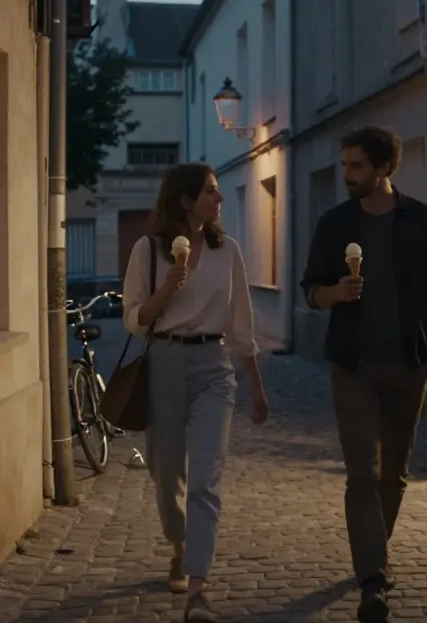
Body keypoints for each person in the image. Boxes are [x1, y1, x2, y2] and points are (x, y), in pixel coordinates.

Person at [299, 125, 427, 623]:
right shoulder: (334, 223)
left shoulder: (423, 221)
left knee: (394, 474)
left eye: (356, 166)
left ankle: (373, 552)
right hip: (353, 365)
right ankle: (373, 579)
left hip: (409, 364)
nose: (347, 175)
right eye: (344, 165)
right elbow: (310, 289)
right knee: (362, 473)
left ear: (384, 168)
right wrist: (333, 295)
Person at [122, 162, 270, 622]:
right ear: (186, 200)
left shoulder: (228, 251)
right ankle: (180, 546)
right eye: (210, 191)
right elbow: (135, 317)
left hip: (213, 367)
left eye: (219, 192)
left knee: (205, 478)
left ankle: (198, 590)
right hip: (164, 361)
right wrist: (167, 289)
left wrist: (257, 389)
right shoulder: (149, 250)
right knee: (168, 478)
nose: (219, 199)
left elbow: (242, 322)